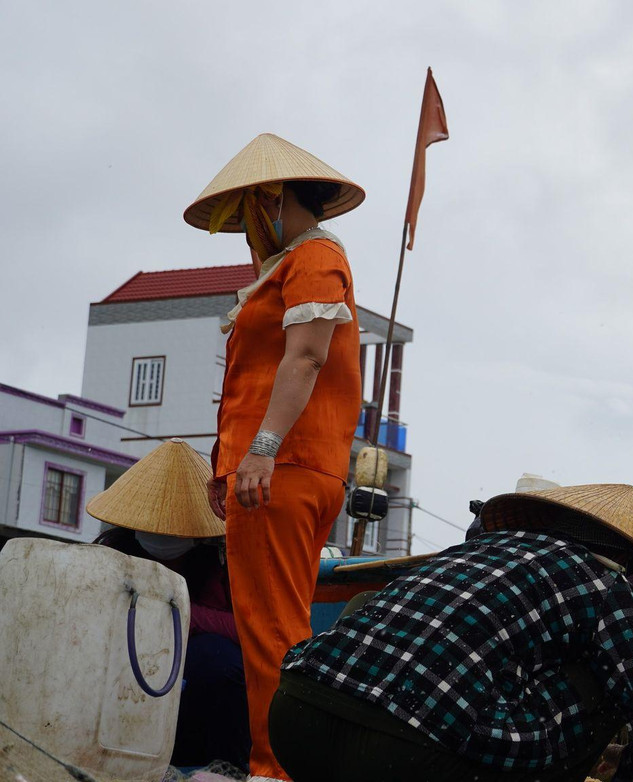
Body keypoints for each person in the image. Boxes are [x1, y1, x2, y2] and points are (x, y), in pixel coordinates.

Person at [269, 484, 633, 782]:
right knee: (609, 684)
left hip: (296, 719)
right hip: (406, 756)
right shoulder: (603, 581)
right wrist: (627, 769)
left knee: (368, 609)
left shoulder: (470, 552)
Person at [185, 133, 366, 782]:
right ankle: (280, 764)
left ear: (271, 199)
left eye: (247, 216)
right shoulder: (296, 263)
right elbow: (259, 378)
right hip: (281, 468)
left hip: (285, 468)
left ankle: (276, 769)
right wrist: (224, 463)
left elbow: (307, 356)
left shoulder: (314, 254)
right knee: (275, 626)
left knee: (269, 632)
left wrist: (258, 451)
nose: (245, 232)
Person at [86, 438, 250, 770]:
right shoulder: (111, 553)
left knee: (222, 661)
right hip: (119, 665)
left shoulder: (220, 563)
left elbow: (244, 628)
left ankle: (224, 769)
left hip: (189, 673)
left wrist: (179, 610)